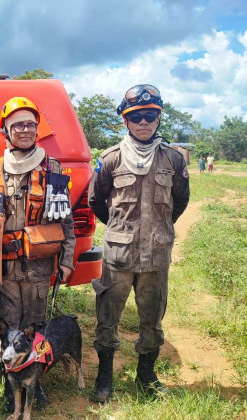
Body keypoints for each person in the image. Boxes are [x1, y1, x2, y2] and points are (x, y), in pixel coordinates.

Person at [0, 97, 76, 410]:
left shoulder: (51, 169)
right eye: (18, 125)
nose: (25, 129)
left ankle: (34, 383)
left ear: (37, 129)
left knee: (36, 326)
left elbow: (64, 218)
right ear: (6, 131)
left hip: (40, 266)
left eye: (31, 124)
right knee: (7, 325)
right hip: (5, 267)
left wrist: (67, 259)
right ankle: (10, 382)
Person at [88, 84, 190, 403]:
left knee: (152, 320)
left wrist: (158, 229)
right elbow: (96, 200)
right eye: (136, 117)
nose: (143, 122)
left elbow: (180, 201)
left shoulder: (173, 159)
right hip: (118, 257)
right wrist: (120, 228)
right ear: (126, 121)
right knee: (108, 319)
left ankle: (146, 376)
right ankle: (105, 376)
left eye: (150, 116)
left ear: (158, 119)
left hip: (156, 258)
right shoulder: (110, 159)